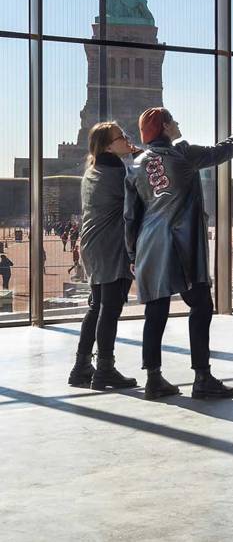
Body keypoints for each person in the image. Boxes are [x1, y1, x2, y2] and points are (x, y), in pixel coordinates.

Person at [125, 100, 233, 401]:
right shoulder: (183, 152)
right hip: (182, 244)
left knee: (156, 311)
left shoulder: (136, 165)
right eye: (174, 121)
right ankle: (202, 377)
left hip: (149, 245)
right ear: (166, 127)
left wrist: (133, 255)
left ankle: (153, 379)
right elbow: (227, 149)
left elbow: (131, 216)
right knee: (201, 306)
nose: (178, 124)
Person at [68, 121, 139, 391]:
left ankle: (82, 367)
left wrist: (130, 154)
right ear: (109, 145)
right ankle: (105, 370)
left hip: (93, 246)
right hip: (111, 246)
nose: (126, 139)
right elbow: (137, 195)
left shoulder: (94, 168)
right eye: (121, 137)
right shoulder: (115, 170)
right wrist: (135, 156)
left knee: (97, 306)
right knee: (110, 308)